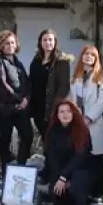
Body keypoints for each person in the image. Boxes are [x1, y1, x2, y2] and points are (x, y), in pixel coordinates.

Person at [28, 29, 71, 181]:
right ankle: (49, 169)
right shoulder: (36, 59)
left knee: (51, 140)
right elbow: (31, 82)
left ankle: (53, 172)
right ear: (40, 42)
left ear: (55, 42)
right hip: (37, 107)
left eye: (51, 40)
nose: (48, 43)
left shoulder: (61, 61)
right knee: (46, 141)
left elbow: (64, 86)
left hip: (52, 108)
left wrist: (56, 108)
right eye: (45, 40)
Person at [69, 45, 103, 199]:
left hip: (94, 121)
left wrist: (89, 117)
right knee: (81, 155)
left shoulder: (101, 78)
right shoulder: (75, 78)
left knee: (95, 157)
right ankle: (83, 189)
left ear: (96, 59)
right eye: (86, 54)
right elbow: (73, 101)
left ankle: (98, 191)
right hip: (79, 122)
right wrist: (78, 118)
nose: (88, 57)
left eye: (92, 55)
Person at [0, 30, 34, 175]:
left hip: (21, 108)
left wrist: (26, 98)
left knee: (27, 136)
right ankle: (6, 170)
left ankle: (20, 166)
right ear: (1, 46)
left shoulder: (18, 62)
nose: (10, 46)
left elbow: (27, 83)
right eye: (6, 43)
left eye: (12, 43)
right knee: (5, 139)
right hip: (4, 108)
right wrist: (19, 99)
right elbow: (2, 84)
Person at [46, 100, 94, 205]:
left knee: (75, 187)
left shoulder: (82, 131)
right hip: (60, 170)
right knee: (55, 193)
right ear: (57, 115)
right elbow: (51, 156)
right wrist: (59, 177)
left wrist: (64, 178)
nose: (65, 114)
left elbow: (79, 157)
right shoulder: (52, 131)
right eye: (61, 111)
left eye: (68, 111)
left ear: (73, 113)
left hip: (79, 170)